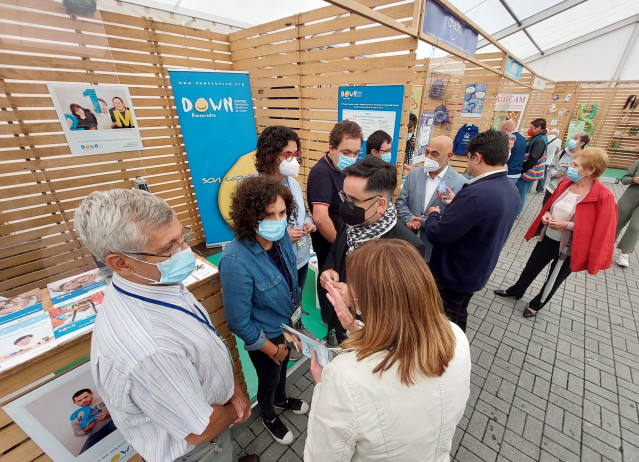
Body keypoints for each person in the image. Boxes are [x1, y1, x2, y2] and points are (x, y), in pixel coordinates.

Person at [74, 189, 256, 462]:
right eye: (168, 248)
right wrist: (235, 408)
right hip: (200, 450)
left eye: (182, 237)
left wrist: (234, 389)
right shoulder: (149, 350)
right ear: (120, 262)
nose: (185, 252)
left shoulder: (153, 281)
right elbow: (201, 429)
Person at [305, 239, 471, 461]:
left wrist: (322, 386)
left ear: (366, 303)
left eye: (353, 292)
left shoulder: (344, 377)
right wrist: (354, 327)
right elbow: (398, 338)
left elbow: (322, 456)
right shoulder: (455, 336)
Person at [219, 176, 309, 446]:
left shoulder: (280, 238)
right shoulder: (235, 260)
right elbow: (238, 321)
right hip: (266, 338)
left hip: (288, 326)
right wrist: (271, 348)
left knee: (283, 372)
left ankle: (281, 400)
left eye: (282, 213)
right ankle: (269, 415)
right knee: (269, 379)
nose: (278, 220)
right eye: (269, 215)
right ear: (251, 216)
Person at [495, 148, 617, 318]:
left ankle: (537, 304)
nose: (570, 167)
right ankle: (517, 290)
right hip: (549, 237)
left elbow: (602, 229)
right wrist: (547, 214)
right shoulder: (567, 183)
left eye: (575, 164)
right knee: (532, 266)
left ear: (590, 170)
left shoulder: (604, 197)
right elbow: (552, 205)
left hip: (570, 247)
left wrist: (568, 225)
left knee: (555, 276)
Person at [319, 156, 425, 343]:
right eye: (344, 196)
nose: (345, 205)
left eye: (353, 200)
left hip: (371, 338)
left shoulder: (407, 248)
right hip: (339, 324)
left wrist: (355, 298)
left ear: (380, 204)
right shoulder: (350, 219)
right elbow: (336, 250)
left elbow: (399, 310)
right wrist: (328, 268)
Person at [424, 130, 519, 332]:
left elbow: (438, 234)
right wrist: (456, 203)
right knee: (459, 313)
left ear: (478, 158)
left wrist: (433, 215)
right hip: (476, 271)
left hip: (454, 275)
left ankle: (446, 357)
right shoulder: (510, 189)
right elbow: (480, 220)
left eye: (468, 159)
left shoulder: (476, 193)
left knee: (445, 321)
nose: (468, 165)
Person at [307, 120, 362, 326]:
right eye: (347, 152)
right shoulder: (322, 173)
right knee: (329, 279)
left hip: (341, 237)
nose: (352, 157)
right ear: (332, 148)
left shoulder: (343, 168)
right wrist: (342, 246)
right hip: (329, 240)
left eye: (356, 152)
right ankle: (329, 319)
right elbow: (321, 218)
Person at [254, 125, 316, 292]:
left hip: (301, 258)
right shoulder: (255, 188)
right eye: (288, 155)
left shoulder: (293, 183)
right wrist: (283, 238)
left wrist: (309, 223)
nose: (294, 160)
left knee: (297, 300)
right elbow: (249, 235)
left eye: (296, 154)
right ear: (271, 155)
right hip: (275, 262)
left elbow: (303, 213)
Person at [396, 135, 467, 261]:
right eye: (427, 152)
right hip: (406, 243)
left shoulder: (460, 183)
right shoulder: (414, 174)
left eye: (434, 154)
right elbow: (401, 201)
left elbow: (454, 219)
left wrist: (423, 222)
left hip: (433, 250)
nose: (428, 158)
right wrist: (409, 219)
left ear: (448, 156)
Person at [543, 132, 590, 205]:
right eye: (573, 138)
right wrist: (554, 173)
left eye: (575, 138)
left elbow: (586, 177)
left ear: (581, 143)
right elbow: (550, 167)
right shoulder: (563, 152)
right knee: (544, 212)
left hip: (568, 192)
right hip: (552, 188)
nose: (572, 140)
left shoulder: (586, 158)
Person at [515, 118, 547, 217]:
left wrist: (523, 170)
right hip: (526, 169)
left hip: (527, 171)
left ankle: (517, 212)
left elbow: (534, 158)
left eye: (532, 127)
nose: (530, 129)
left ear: (539, 127)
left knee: (521, 191)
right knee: (521, 191)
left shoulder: (539, 140)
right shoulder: (536, 137)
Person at [70, 388, 117, 454]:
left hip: (112, 423)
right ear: (74, 403)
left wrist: (108, 414)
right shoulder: (76, 417)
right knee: (84, 453)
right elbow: (77, 433)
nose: (83, 401)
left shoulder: (105, 399)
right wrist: (85, 430)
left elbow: (120, 409)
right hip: (95, 433)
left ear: (91, 393)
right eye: (79, 400)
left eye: (86, 397)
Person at [615, 159, 639, 267]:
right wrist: (633, 180)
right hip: (631, 194)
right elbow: (624, 179)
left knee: (635, 227)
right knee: (617, 222)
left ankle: (624, 254)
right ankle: (604, 247)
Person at [536, 128, 562, 193]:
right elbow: (557, 152)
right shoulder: (558, 141)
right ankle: (540, 189)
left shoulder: (545, 138)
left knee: (534, 173)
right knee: (543, 175)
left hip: (539, 159)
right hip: (548, 160)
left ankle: (528, 190)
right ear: (557, 134)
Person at [502, 119, 527, 184]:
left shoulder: (508, 139)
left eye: (502, 129)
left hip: (508, 172)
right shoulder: (523, 138)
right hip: (517, 171)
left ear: (506, 129)